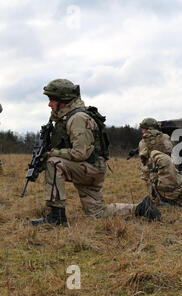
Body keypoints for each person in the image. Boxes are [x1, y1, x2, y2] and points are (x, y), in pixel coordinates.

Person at [31, 79, 138, 226]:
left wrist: (51, 153)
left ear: (64, 101)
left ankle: (57, 218)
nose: (49, 104)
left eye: (51, 100)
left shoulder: (78, 118)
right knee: (97, 213)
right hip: (90, 167)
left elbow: (80, 153)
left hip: (90, 167)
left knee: (54, 163)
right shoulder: (67, 117)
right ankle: (140, 209)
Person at [138, 118, 173, 186]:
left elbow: (143, 160)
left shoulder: (142, 142)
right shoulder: (165, 137)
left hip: (150, 175)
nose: (142, 131)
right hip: (167, 172)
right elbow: (170, 152)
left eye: (143, 129)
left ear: (149, 129)